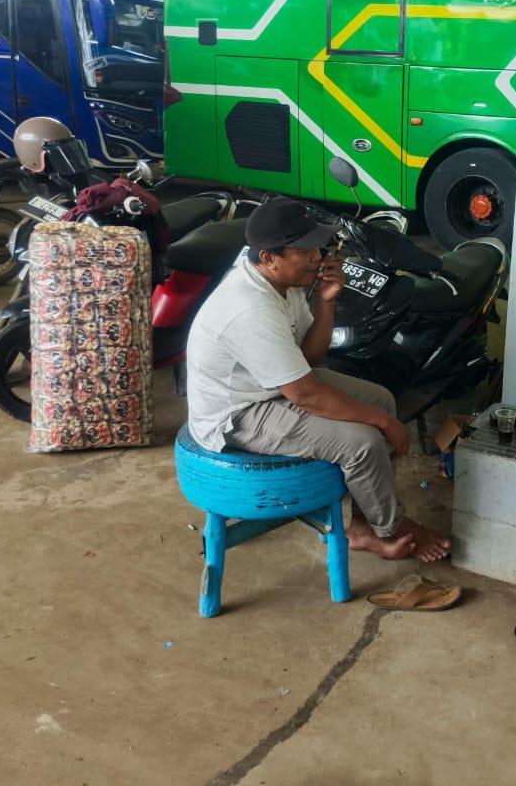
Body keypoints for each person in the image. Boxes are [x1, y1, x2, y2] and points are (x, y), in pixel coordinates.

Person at [184, 197, 450, 562]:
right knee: (364, 442)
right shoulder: (250, 307)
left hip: (274, 389)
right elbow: (304, 393)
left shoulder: (286, 284)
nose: (317, 257)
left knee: (382, 400)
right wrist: (384, 423)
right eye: (305, 251)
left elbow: (311, 359)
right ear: (269, 258)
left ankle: (364, 525)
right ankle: (392, 527)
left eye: (317, 247)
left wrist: (327, 301)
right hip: (238, 414)